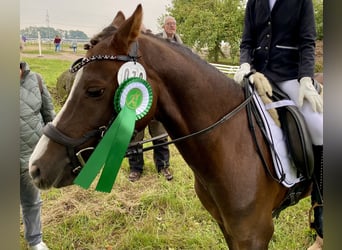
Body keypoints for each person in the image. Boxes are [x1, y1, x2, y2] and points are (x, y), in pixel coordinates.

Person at [234, 0, 323, 249]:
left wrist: (306, 78)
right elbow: (247, 41)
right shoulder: (255, 1)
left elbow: (307, 42)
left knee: (321, 129)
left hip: (289, 77)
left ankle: (325, 221)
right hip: (257, 77)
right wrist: (244, 63)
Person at [127, 16, 183, 182]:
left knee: (160, 135)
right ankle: (136, 169)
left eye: (143, 32)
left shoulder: (155, 49)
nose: (140, 35)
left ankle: (163, 166)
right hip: (136, 100)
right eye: (137, 32)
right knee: (135, 136)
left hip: (157, 99)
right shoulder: (129, 50)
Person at [20, 61, 56, 250]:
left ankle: (35, 240)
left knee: (32, 202)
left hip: (30, 157)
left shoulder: (37, 81)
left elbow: (49, 115)